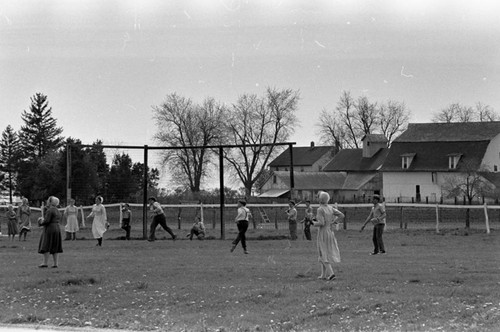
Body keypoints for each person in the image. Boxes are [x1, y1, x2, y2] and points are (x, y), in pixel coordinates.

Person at [312, 191, 344, 281]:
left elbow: (321, 223)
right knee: (324, 252)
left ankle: (331, 273)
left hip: (323, 232)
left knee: (322, 253)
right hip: (330, 231)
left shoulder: (320, 209)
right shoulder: (330, 208)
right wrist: (334, 222)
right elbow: (342, 215)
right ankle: (323, 274)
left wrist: (312, 222)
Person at [37, 196, 63, 268]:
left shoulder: (50, 210)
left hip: (50, 228)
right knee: (55, 246)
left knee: (46, 245)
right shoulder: (57, 210)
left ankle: (45, 263)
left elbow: (46, 221)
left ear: (51, 202)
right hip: (57, 228)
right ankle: (55, 263)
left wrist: (40, 221)